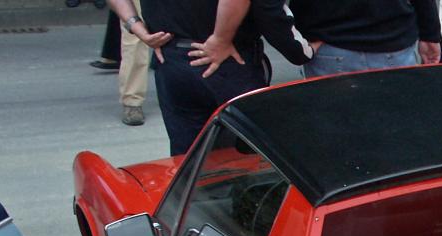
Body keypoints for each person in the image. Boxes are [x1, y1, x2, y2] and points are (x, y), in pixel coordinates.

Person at [104, 0, 312, 156]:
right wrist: (221, 38)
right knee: (247, 159)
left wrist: (136, 27)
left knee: (189, 157)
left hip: (176, 58)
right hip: (225, 61)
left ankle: (197, 206)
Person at [289, 0, 442, 77]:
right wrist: (430, 33)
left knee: (334, 131)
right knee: (397, 128)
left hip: (328, 40)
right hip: (392, 38)